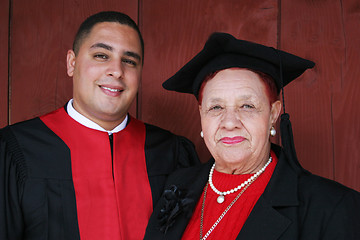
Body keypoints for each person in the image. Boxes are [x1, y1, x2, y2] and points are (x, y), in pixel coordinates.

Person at [0, 11, 199, 240]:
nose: (117, 70)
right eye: (101, 55)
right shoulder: (18, 151)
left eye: (129, 61)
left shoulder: (171, 153)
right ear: (72, 63)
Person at [144, 32, 360, 239]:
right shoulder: (177, 186)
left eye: (247, 106)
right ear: (201, 114)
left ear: (273, 114)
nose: (229, 123)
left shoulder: (333, 206)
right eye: (216, 107)